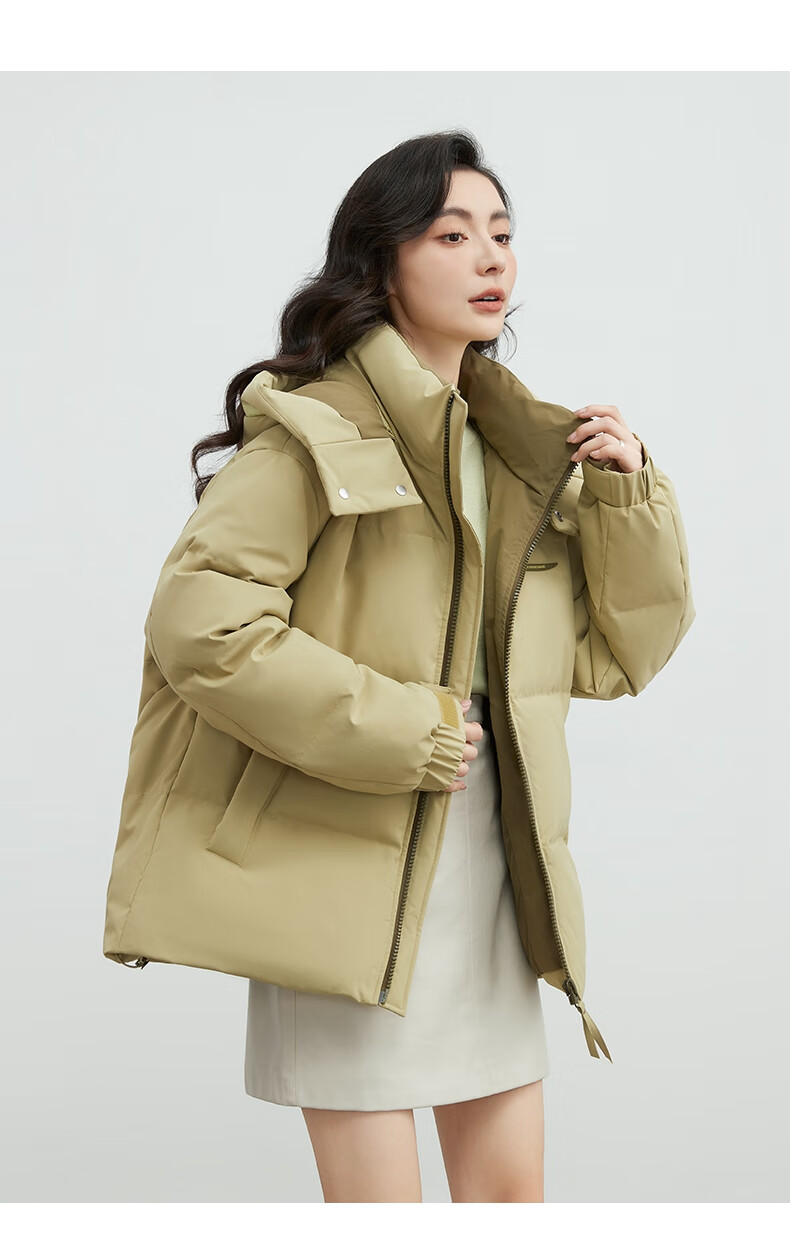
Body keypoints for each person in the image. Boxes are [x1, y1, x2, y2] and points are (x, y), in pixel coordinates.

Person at [103, 129, 694, 1203]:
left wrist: (628, 499)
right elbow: (200, 625)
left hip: (492, 862)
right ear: (382, 265)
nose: (490, 258)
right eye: (452, 235)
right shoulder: (310, 432)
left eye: (501, 234)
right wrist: (401, 729)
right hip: (340, 869)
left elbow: (610, 657)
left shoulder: (516, 453)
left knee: (511, 1203)